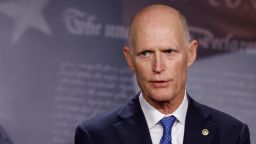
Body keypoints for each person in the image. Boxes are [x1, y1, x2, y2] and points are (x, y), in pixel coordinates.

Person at [74, 4, 251, 144]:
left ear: (191, 54)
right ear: (129, 59)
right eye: (146, 53)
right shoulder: (96, 136)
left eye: (169, 51)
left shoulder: (231, 134)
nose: (158, 67)